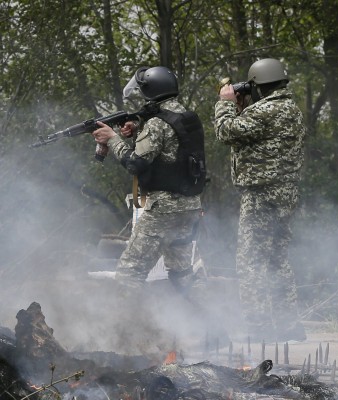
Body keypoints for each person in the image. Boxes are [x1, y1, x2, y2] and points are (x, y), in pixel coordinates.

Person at [91, 66, 206, 294]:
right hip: (190, 206)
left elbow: (135, 163)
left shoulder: (156, 124)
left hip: (163, 211)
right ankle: (214, 326)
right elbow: (171, 149)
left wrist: (113, 139)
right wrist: (137, 128)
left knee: (129, 272)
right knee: (182, 274)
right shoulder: (188, 117)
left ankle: (126, 328)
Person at [214, 58, 306, 342]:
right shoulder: (291, 109)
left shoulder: (265, 110)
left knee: (251, 261)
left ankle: (259, 326)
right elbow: (254, 134)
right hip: (285, 192)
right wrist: (242, 108)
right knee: (277, 259)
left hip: (261, 194)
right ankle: (288, 324)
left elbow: (225, 131)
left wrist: (226, 102)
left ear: (258, 85)